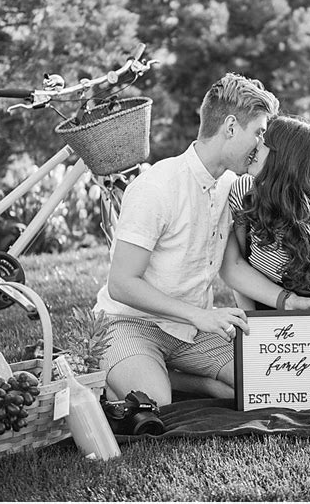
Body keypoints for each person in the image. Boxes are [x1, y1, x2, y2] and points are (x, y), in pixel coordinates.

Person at [94, 72, 282, 407]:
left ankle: (173, 374)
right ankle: (156, 375)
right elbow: (121, 284)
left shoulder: (229, 187)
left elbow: (232, 268)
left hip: (190, 332)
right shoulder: (157, 187)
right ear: (229, 127)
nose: (260, 145)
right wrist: (199, 315)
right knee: (154, 400)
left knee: (264, 383)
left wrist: (287, 302)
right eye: (258, 132)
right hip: (131, 323)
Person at [220, 115, 310, 391]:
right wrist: (252, 334)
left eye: (264, 140)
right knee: (248, 373)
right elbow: (239, 271)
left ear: (283, 160)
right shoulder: (243, 194)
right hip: (260, 303)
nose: (256, 143)